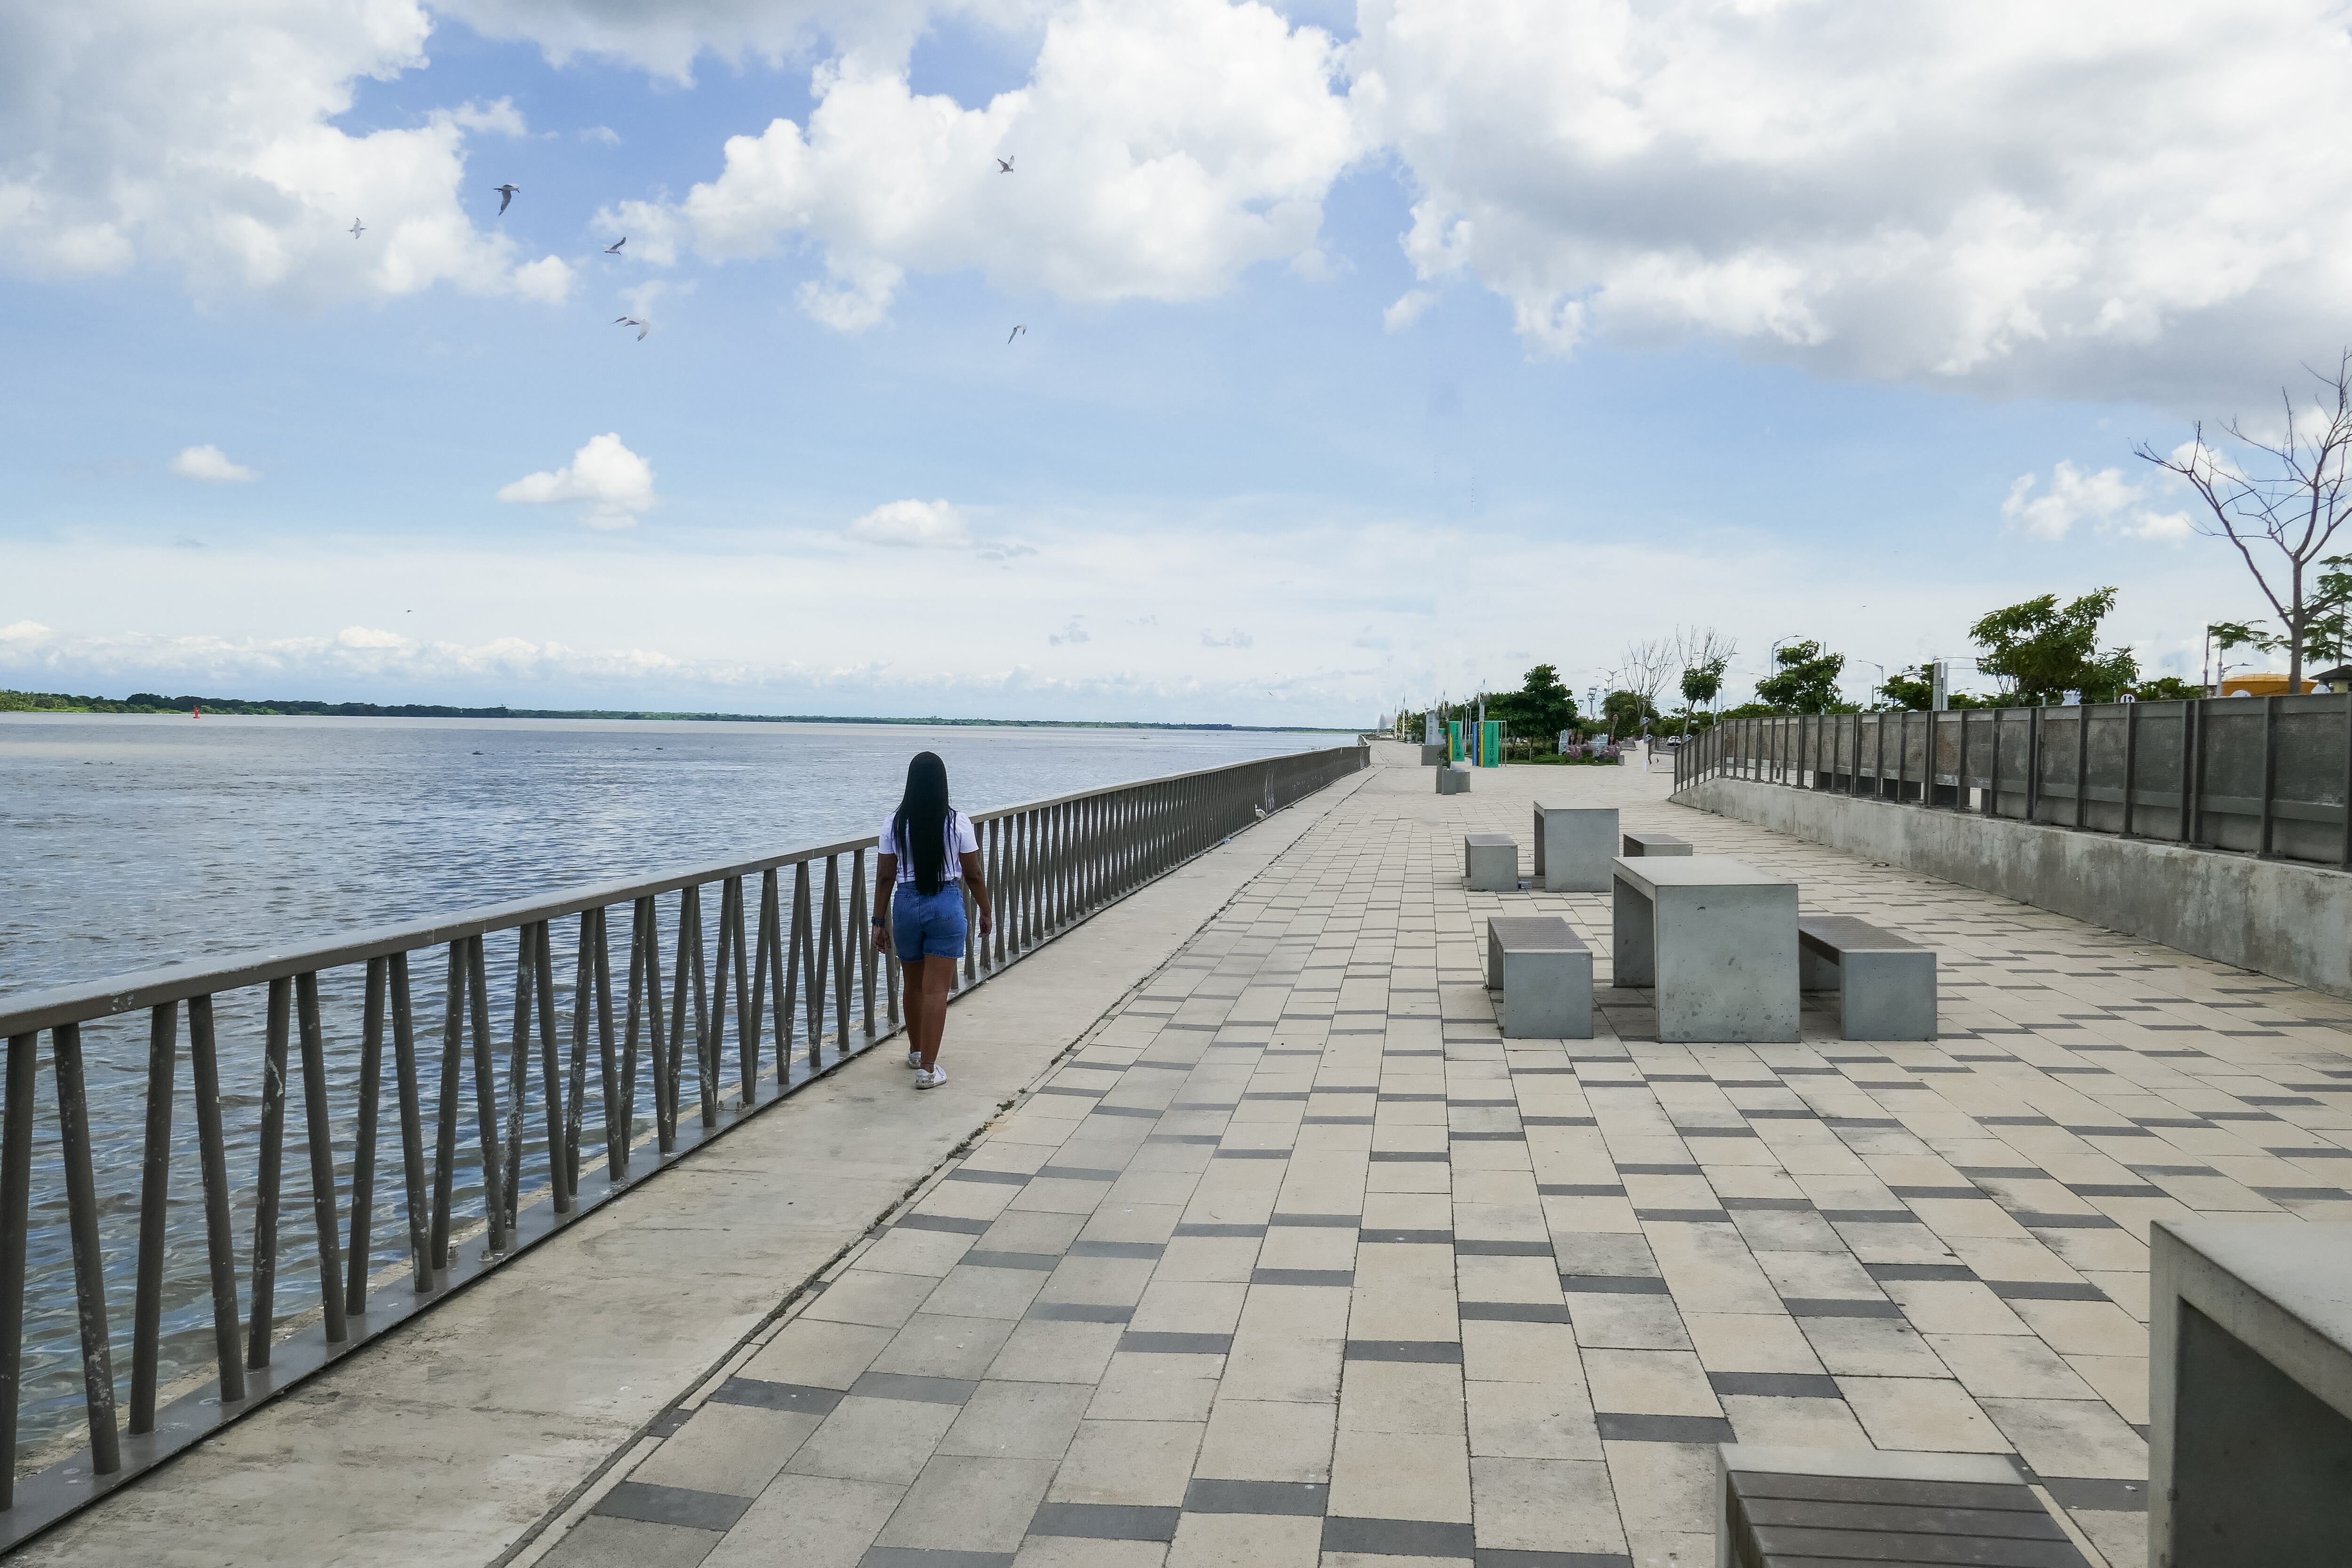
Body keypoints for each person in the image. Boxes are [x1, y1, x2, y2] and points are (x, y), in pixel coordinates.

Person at [872, 751, 993, 1089]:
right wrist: (985, 909)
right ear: (943, 784)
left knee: (912, 982)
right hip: (945, 903)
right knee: (936, 988)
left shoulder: (893, 824)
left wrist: (878, 921)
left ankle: (915, 1051)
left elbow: (885, 876)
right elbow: (974, 874)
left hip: (907, 903)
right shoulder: (958, 823)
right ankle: (928, 1069)